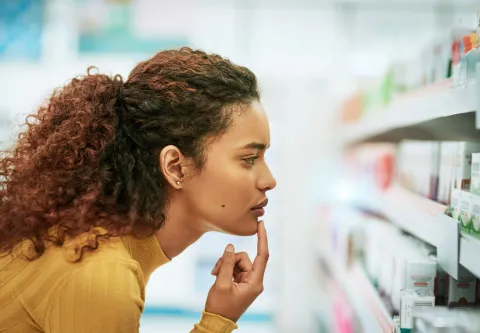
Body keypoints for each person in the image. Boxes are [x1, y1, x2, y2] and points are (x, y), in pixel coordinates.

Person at [0, 47, 277, 333]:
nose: (269, 180)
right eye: (249, 159)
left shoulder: (98, 246)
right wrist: (217, 324)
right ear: (175, 167)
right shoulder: (101, 274)